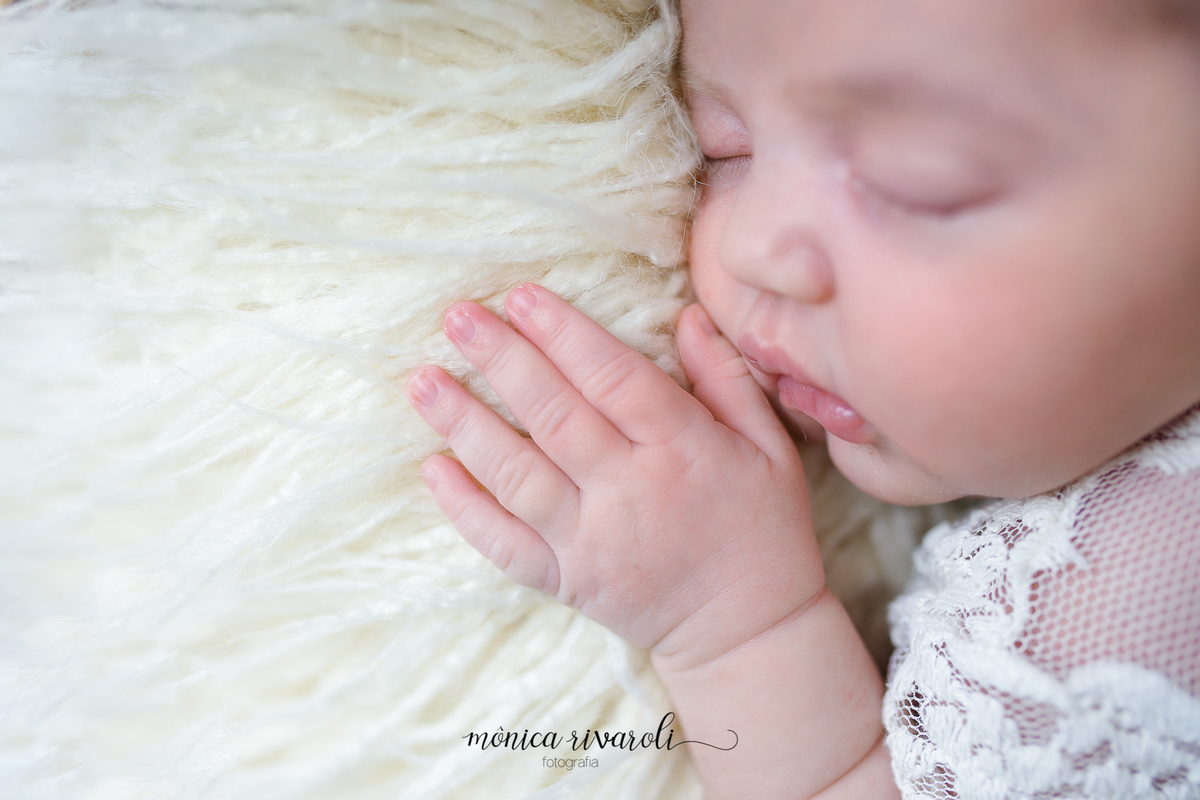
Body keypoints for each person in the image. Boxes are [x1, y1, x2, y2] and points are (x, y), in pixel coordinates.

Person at [406, 0, 1200, 796]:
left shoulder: (1123, 602)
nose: (749, 244)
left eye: (913, 177)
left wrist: (734, 623)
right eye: (728, 147)